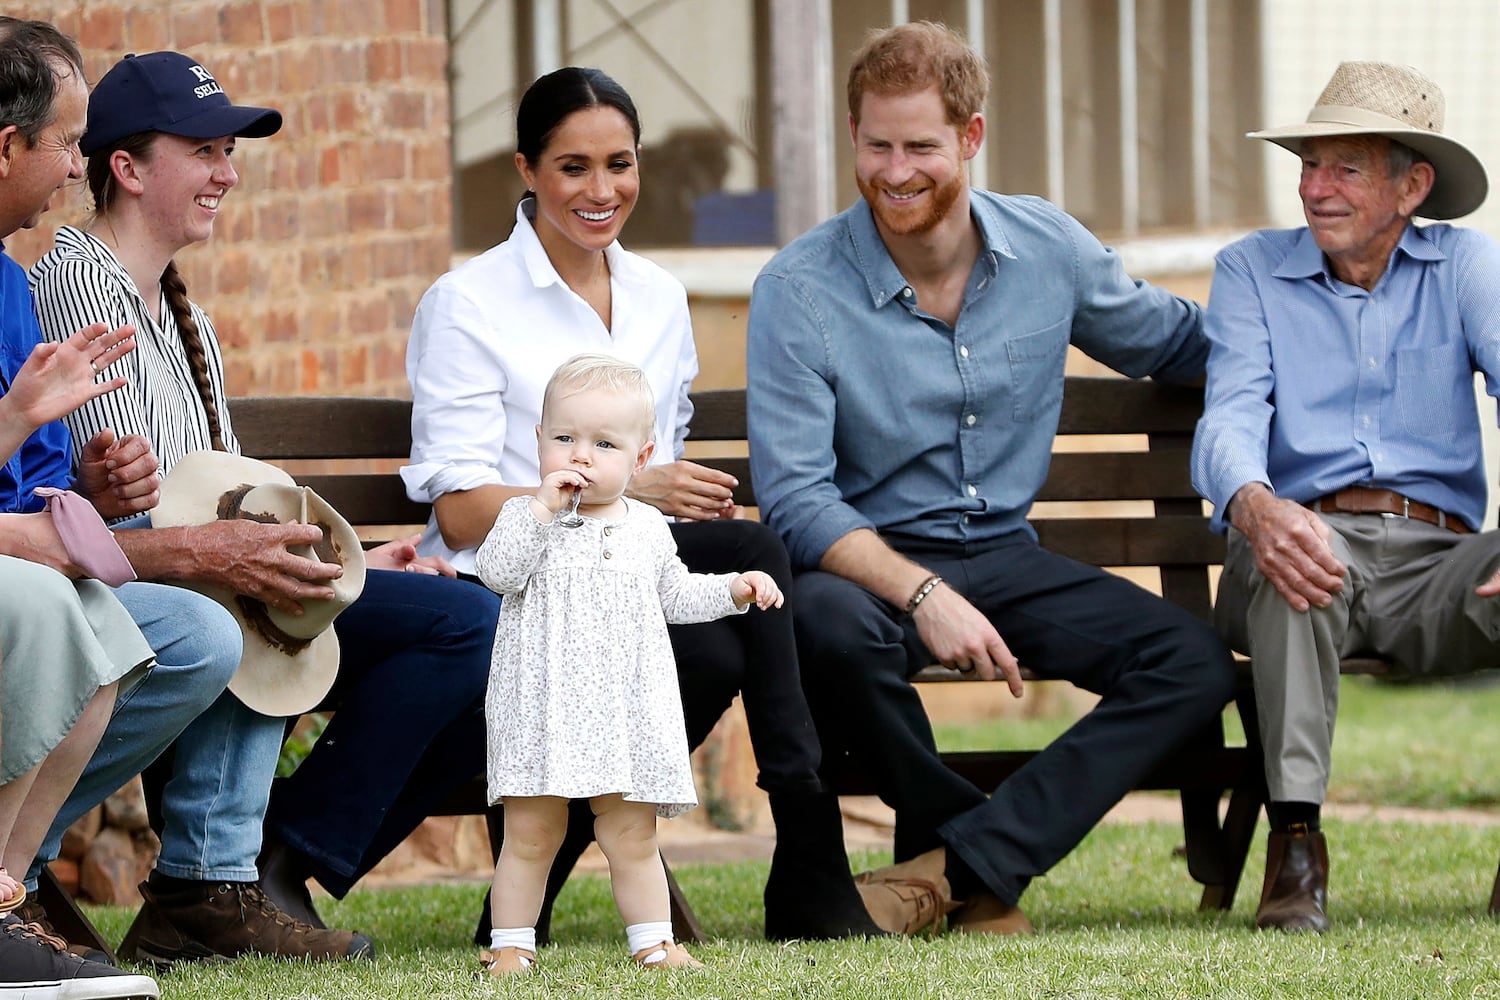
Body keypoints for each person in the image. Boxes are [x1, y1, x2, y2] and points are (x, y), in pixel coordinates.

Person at [746, 20, 1239, 937]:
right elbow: (800, 499)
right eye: (877, 145)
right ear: (854, 137)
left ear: (970, 137)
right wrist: (923, 592)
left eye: (921, 146)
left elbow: (1177, 341)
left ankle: (968, 866)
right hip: (870, 569)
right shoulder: (800, 289)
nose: (896, 171)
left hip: (1008, 560)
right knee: (819, 624)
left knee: (1193, 663)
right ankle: (974, 858)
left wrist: (1301, 324)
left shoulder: (1045, 249)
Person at [23, 50, 504, 964]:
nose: (227, 174)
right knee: (254, 598)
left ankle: (245, 871)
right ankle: (179, 879)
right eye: (204, 150)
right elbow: (154, 520)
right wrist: (281, 553)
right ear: (125, 167)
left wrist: (350, 555)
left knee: (457, 618)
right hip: (129, 586)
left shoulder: (182, 313)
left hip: (193, 576)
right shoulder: (78, 278)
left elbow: (224, 495)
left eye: (228, 153)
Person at [404, 65, 879, 943]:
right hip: (520, 589)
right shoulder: (468, 304)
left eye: (619, 164)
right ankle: (808, 850)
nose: (601, 190)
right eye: (573, 167)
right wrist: (626, 492)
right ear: (526, 170)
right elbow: (464, 512)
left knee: (746, 586)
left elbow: (658, 466)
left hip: (625, 585)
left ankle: (536, 904)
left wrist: (667, 498)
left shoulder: (659, 297)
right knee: (747, 595)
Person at [1192, 60, 1500, 934]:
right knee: (1299, 559)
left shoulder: (1467, 266)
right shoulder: (1251, 270)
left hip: (1436, 564)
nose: (1314, 189)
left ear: (1413, 186)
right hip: (1300, 538)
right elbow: (1230, 417)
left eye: (1345, 168)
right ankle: (1296, 850)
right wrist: (1254, 504)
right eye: (1308, 165)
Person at [476, 354, 784, 975]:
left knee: (632, 835)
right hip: (545, 705)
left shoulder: (646, 527)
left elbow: (674, 595)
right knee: (532, 834)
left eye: (604, 444)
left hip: (624, 710)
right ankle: (510, 944)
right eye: (564, 438)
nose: (579, 456)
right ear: (538, 441)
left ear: (641, 459)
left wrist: (733, 590)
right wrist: (539, 509)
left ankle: (653, 942)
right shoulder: (525, 517)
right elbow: (496, 572)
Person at [0, 17, 162, 997]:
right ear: (6, 145)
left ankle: (5, 898)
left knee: (109, 632)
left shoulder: (11, 282)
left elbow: (37, 479)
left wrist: (78, 484)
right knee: (47, 608)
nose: (74, 169)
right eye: (66, 142)